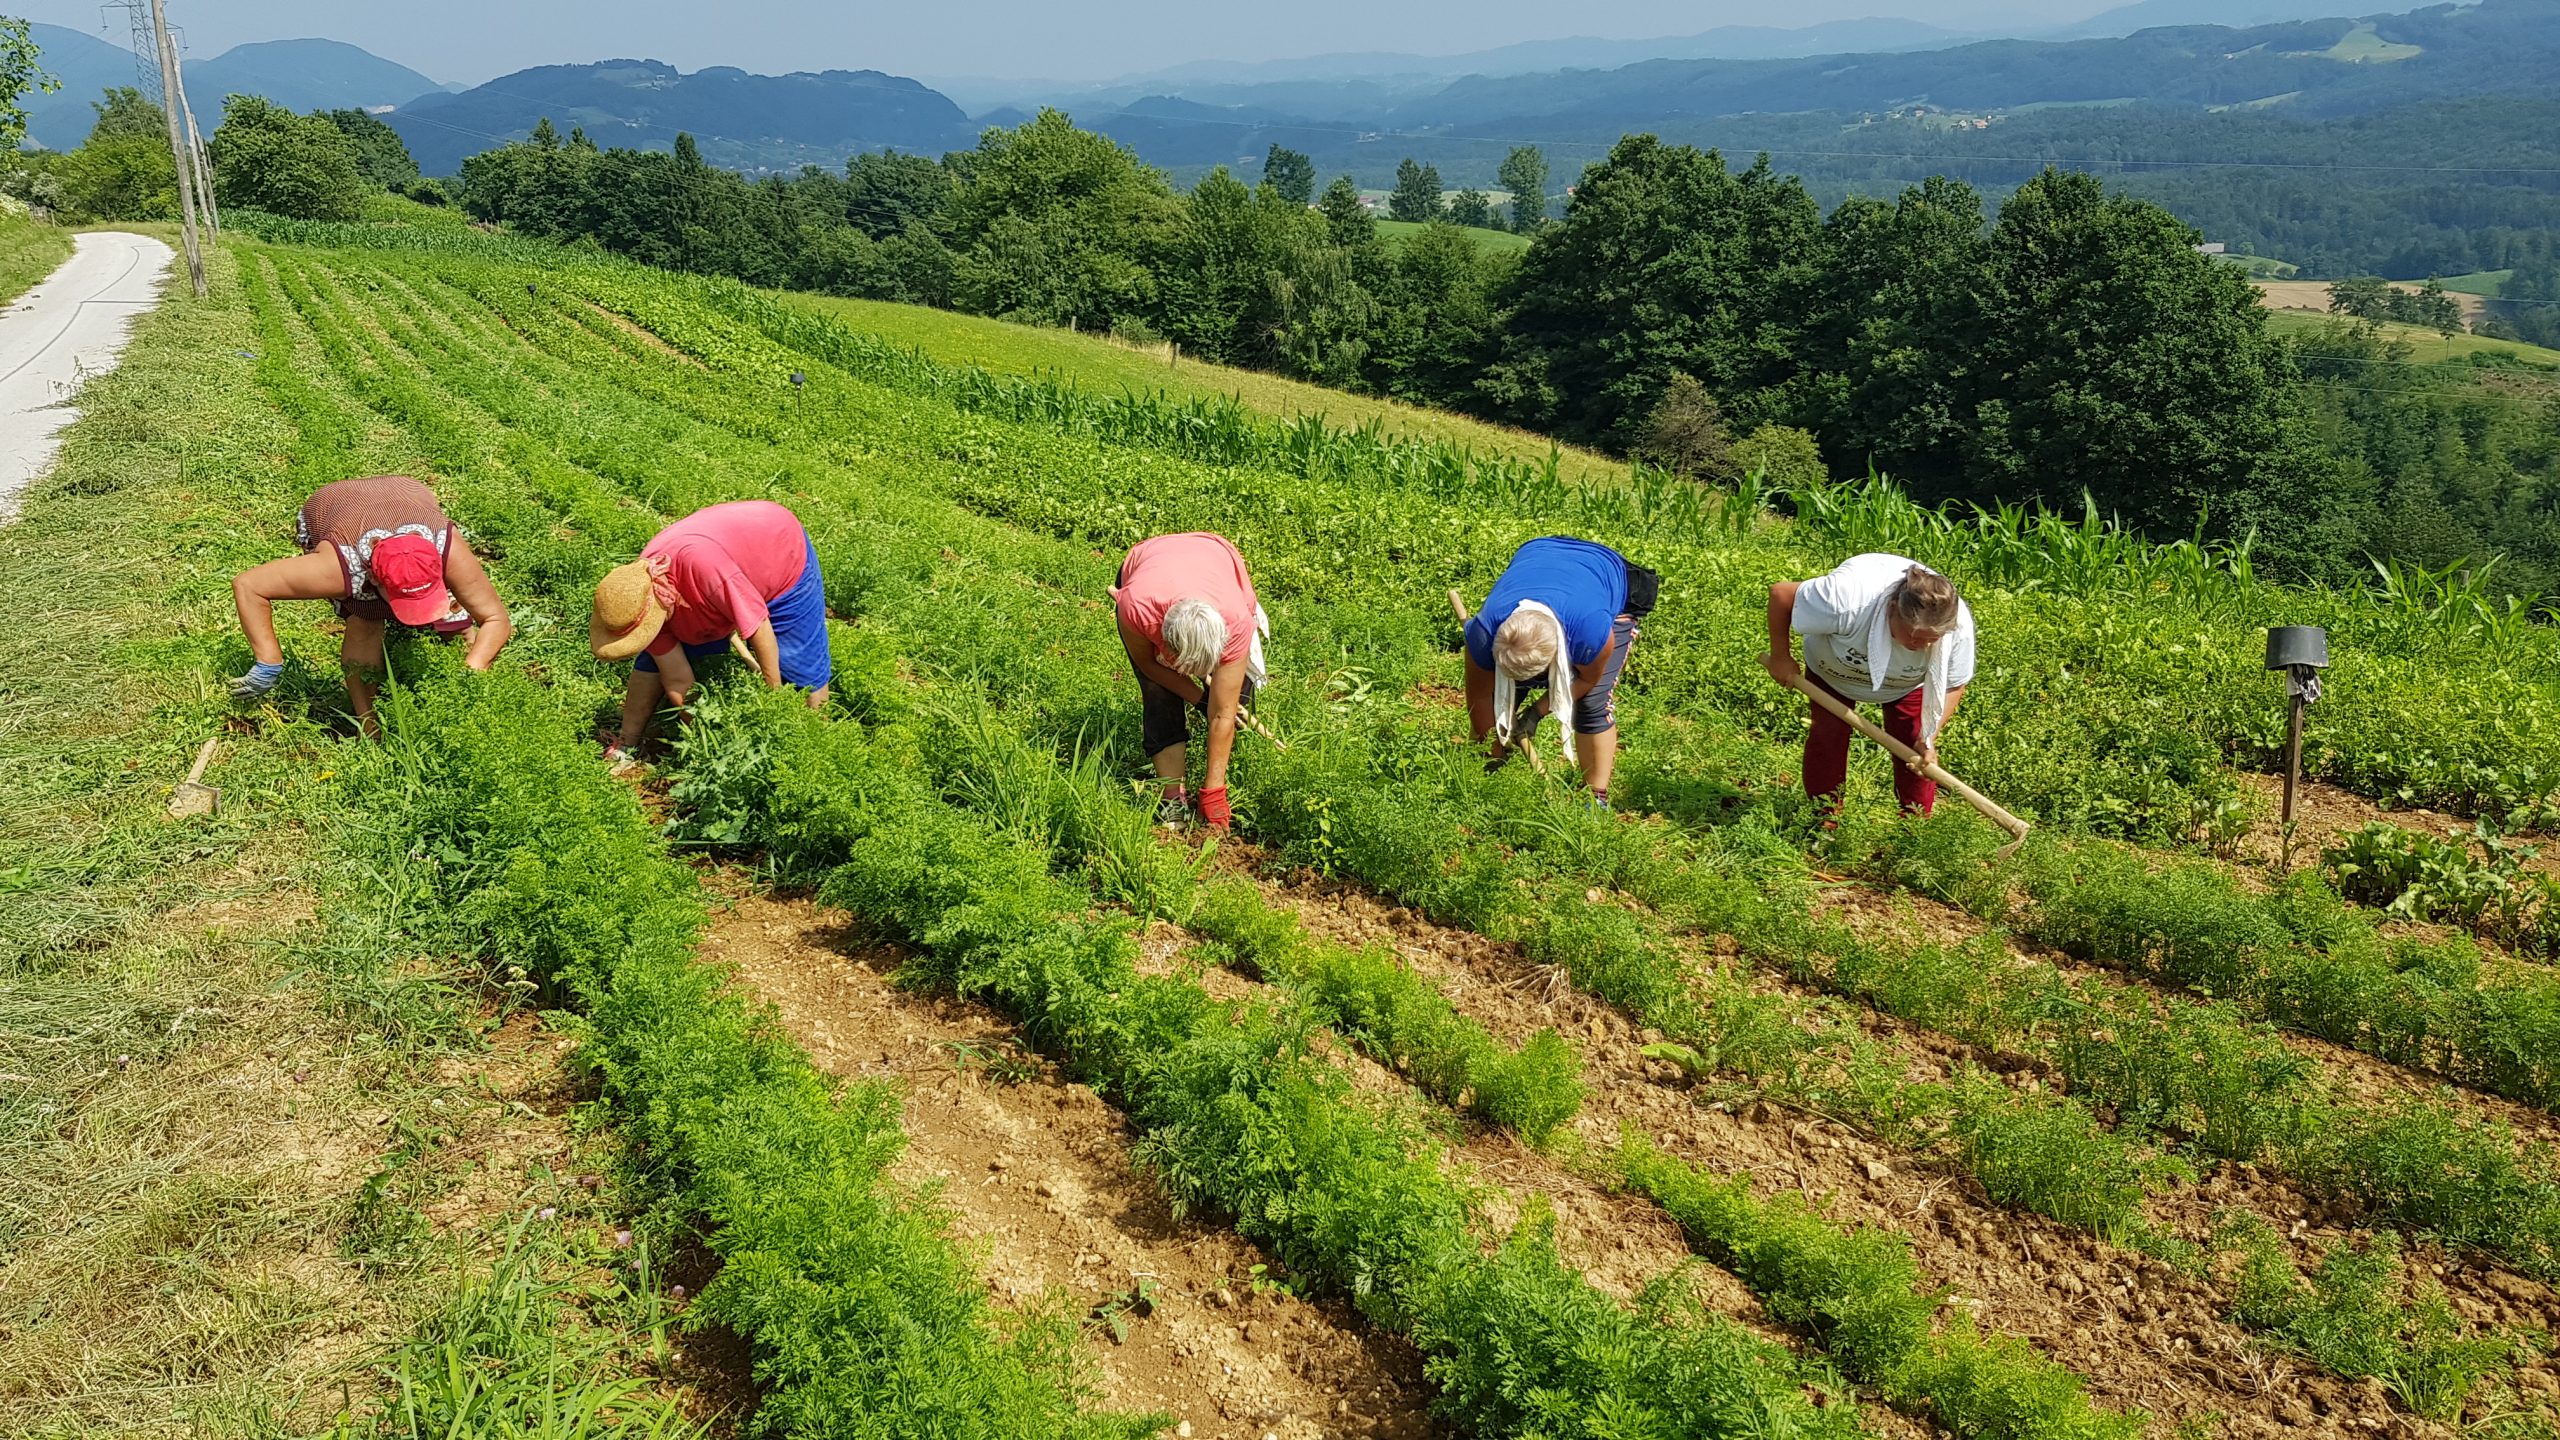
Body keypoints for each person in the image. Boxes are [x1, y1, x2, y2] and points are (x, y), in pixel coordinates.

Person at [228, 474, 510, 733]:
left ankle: (461, 667)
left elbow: (495, 619)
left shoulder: (447, 549)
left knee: (456, 619)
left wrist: (472, 669)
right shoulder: (339, 567)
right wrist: (268, 661)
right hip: (333, 503)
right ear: (373, 579)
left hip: (405, 491)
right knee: (366, 618)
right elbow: (249, 585)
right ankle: (368, 724)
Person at [590, 500, 831, 763]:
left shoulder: (705, 569)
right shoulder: (637, 594)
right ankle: (627, 743)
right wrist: (702, 736)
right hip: (719, 560)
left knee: (798, 664)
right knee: (655, 660)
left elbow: (759, 627)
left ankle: (817, 748)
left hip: (778, 549)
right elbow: (678, 680)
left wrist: (772, 699)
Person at [1762, 553, 1974, 817]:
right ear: (1892, 609)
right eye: (1914, 636)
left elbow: (1954, 683)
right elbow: (1781, 594)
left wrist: (1929, 737)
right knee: (1828, 737)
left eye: (1932, 639)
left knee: (1916, 751)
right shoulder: (1847, 599)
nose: (1923, 646)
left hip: (1906, 684)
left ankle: (1915, 828)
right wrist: (1781, 656)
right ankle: (1823, 821)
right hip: (1833, 671)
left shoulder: (1957, 627)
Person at [1463, 536, 1658, 809]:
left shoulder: (1589, 634)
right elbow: (1480, 700)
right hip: (1541, 553)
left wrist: (1537, 712)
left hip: (1607, 574)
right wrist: (1491, 757)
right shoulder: (1483, 633)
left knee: (1591, 703)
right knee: (1501, 692)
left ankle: (1595, 795)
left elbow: (1587, 679)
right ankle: (1489, 766)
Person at [1111, 532, 1268, 831]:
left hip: (1214, 557)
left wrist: (1214, 792)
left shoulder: (1235, 622)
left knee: (1234, 707)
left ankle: (1219, 778)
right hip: (1151, 562)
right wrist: (1200, 699)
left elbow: (1223, 712)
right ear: (1165, 643)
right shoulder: (1137, 609)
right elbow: (1147, 664)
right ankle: (1172, 797)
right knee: (1159, 694)